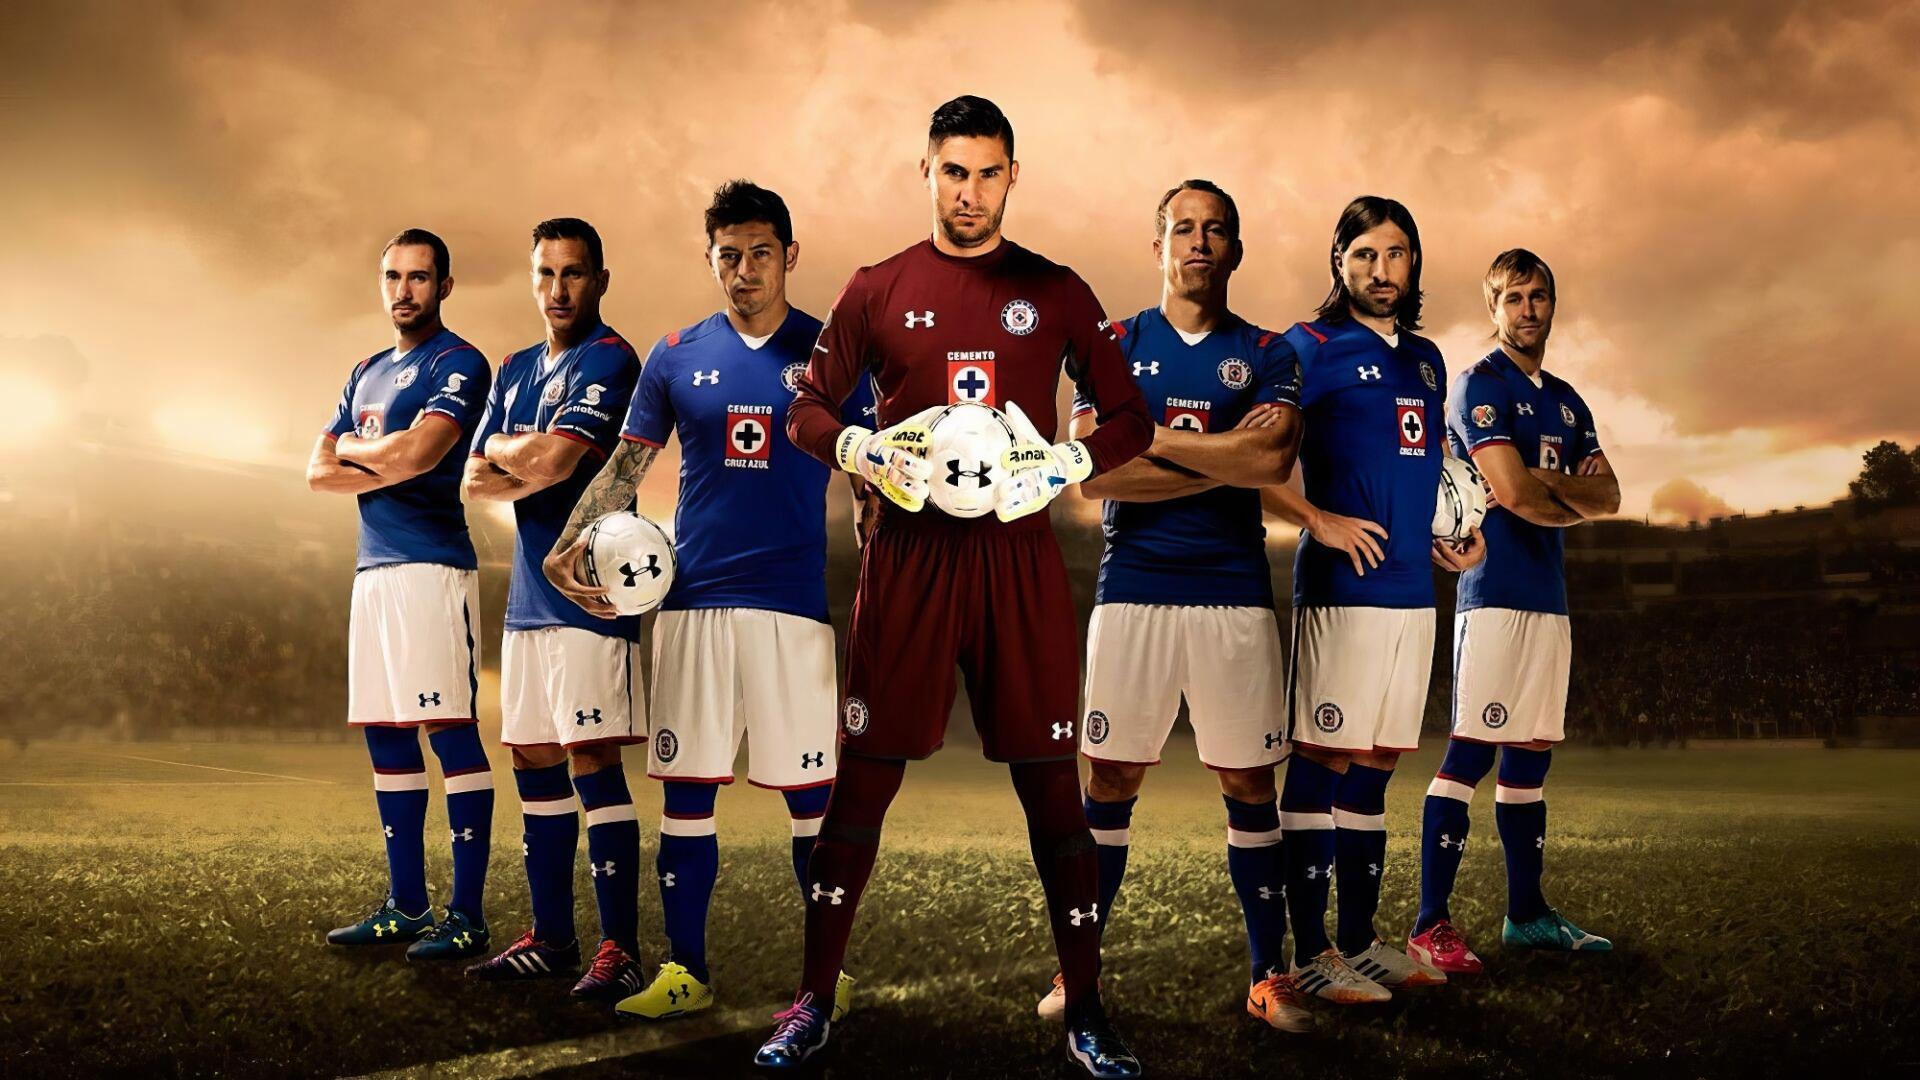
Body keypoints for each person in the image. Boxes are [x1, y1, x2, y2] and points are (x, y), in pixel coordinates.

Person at [754, 96, 1152, 1078]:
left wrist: (1061, 464)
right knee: (863, 784)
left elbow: (1131, 417)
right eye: (952, 173)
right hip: (912, 561)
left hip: (1016, 560)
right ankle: (814, 1000)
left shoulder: (1055, 291)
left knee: (1053, 792)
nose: (969, 193)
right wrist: (852, 443)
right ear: (925, 173)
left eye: (987, 173)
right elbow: (804, 404)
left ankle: (1086, 1008)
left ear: (1013, 175)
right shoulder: (876, 287)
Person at [543, 181, 872, 1021]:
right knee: (687, 791)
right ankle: (686, 971)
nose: (745, 270)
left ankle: (822, 980)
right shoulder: (677, 352)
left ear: (789, 256)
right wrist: (570, 540)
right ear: (710, 259)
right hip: (690, 601)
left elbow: (870, 480)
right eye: (729, 255)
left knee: (811, 802)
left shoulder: (832, 355)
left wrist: (887, 571)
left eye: (762, 253)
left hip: (792, 607)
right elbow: (626, 466)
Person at [1042, 179, 1312, 1032]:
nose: (1199, 242)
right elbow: (1094, 473)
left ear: (1235, 248)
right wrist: (1221, 455)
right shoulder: (1112, 343)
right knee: (1110, 779)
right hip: (1135, 594)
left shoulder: (1270, 351)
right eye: (1183, 229)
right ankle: (1076, 972)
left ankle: (1269, 976)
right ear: (1157, 243)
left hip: (1234, 593)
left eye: (1216, 230)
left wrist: (1148, 434)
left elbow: (1271, 461)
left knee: (1247, 784)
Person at [1259, 196, 1484, 1002]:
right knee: (1321, 763)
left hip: (1410, 593)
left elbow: (1423, 472)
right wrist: (1317, 519)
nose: (1379, 270)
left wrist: (1447, 536)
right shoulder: (1306, 347)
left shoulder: (1427, 360)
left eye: (1394, 254)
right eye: (1363, 255)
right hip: (1342, 595)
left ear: (1413, 263)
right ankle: (1313, 954)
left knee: (1379, 765)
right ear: (1338, 262)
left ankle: (1360, 942)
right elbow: (1256, 457)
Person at [1409, 248, 1618, 971]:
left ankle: (1525, 916)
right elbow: (1519, 496)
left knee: (1530, 760)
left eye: (1539, 297)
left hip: (1549, 602)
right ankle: (1429, 924)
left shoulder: (1568, 400)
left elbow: (1613, 496)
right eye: (1515, 297)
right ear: (1493, 308)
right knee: (1469, 753)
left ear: (1553, 306)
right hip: (1492, 597)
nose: (1528, 310)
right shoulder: (1477, 387)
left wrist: (1540, 486)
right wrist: (1562, 492)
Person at [461, 218, 647, 1002]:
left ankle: (620, 949)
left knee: (591, 758)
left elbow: (552, 460)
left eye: (574, 273)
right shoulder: (512, 366)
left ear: (600, 279)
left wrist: (517, 453)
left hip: (590, 594)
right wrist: (517, 457)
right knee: (532, 757)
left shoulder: (612, 358)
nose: (558, 289)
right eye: (545, 273)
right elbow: (472, 478)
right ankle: (551, 936)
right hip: (528, 599)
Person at [309, 229, 496, 960]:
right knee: (387, 736)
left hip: (431, 567)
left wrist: (358, 451)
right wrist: (375, 456)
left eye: (419, 277)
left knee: (449, 732)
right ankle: (407, 905)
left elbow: (422, 453)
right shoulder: (364, 370)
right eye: (392, 276)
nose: (403, 290)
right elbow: (315, 471)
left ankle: (467, 914)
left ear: (445, 286)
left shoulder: (459, 362)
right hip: (372, 572)